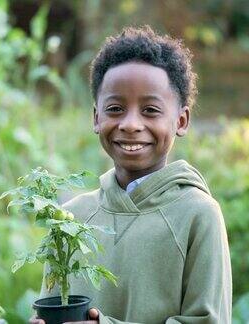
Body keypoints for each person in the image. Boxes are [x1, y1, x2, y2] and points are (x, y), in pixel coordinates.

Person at [32, 25, 231, 324]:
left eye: (150, 110)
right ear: (96, 117)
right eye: (115, 108)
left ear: (181, 120)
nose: (130, 124)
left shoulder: (198, 215)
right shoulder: (70, 219)